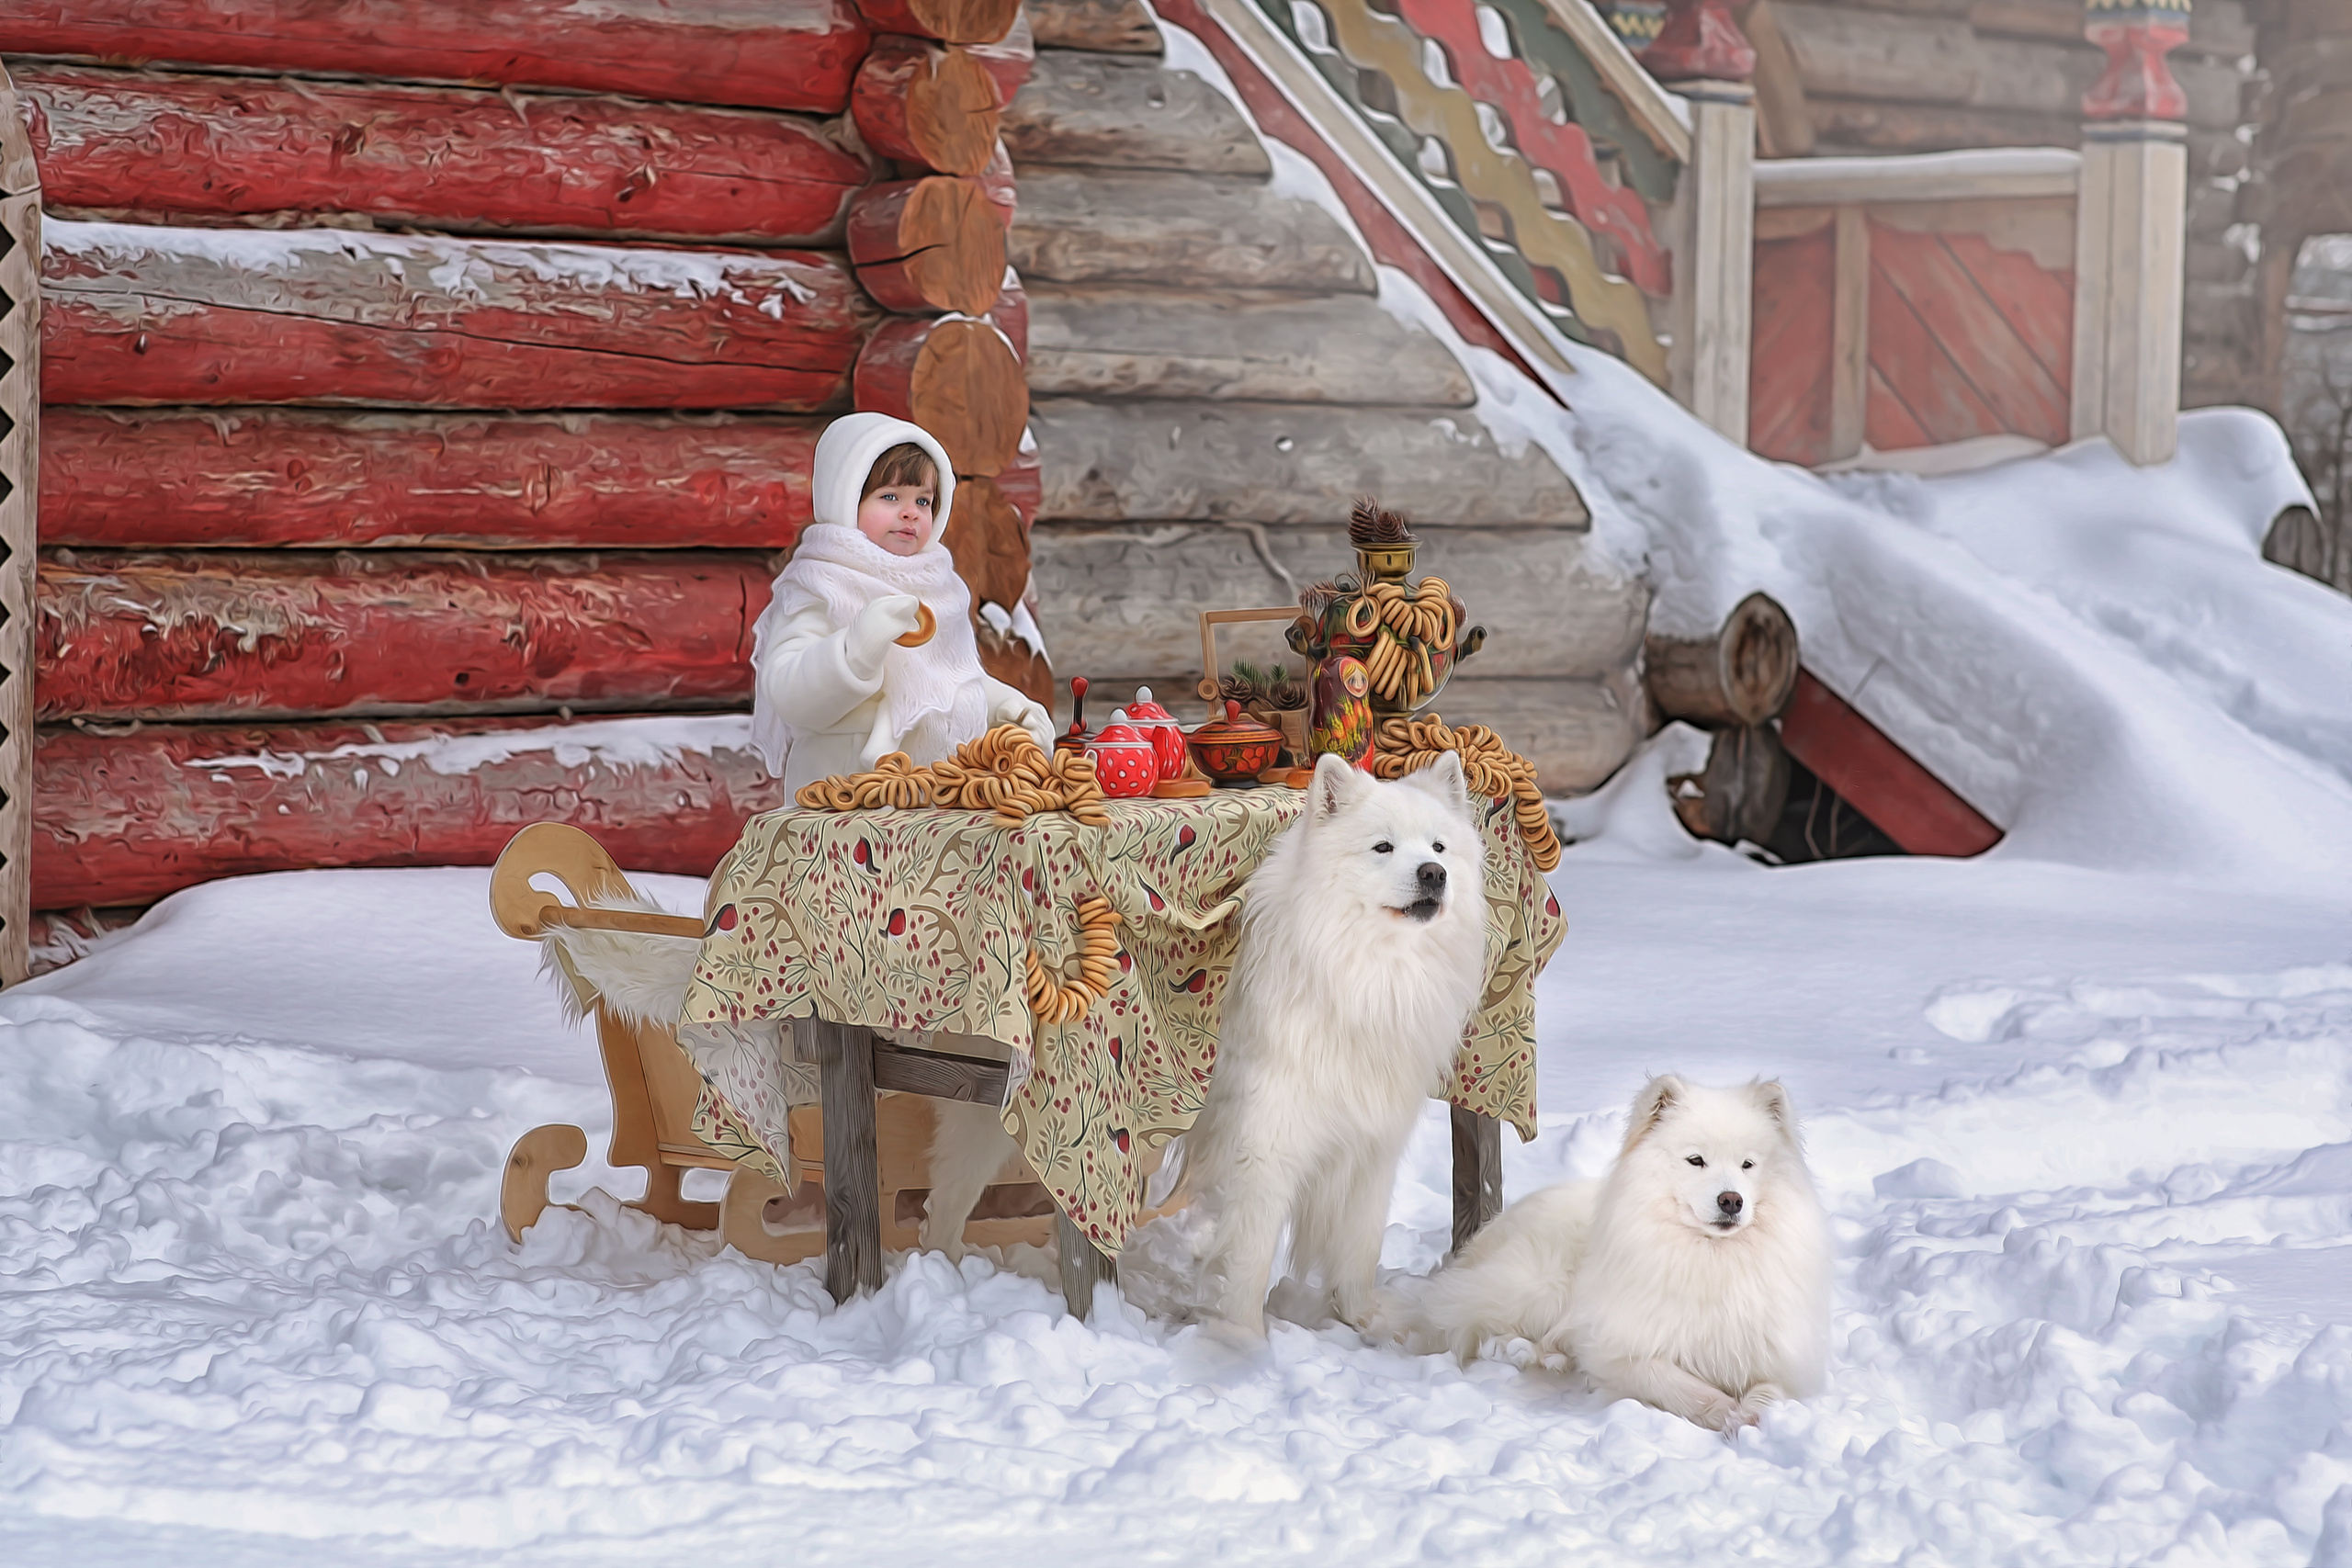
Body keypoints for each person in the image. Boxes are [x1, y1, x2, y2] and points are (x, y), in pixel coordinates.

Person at [750, 412, 1053, 795]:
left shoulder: (938, 590)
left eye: (923, 500)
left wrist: (1005, 706)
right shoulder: (819, 585)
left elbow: (949, 681)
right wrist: (854, 651)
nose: (910, 512)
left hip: (930, 796)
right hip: (844, 795)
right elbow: (791, 696)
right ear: (844, 497)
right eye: (890, 496)